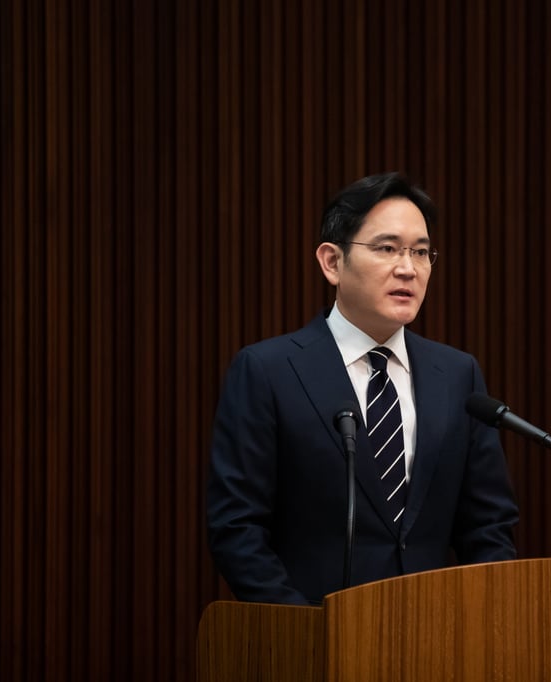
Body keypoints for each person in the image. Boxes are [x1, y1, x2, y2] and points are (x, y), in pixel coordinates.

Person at [206, 172, 519, 605]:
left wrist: (482, 618)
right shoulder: (267, 371)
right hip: (315, 644)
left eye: (422, 252)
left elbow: (488, 526)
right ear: (332, 262)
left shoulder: (458, 373)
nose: (408, 267)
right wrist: (306, 632)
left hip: (440, 643)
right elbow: (237, 527)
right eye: (387, 248)